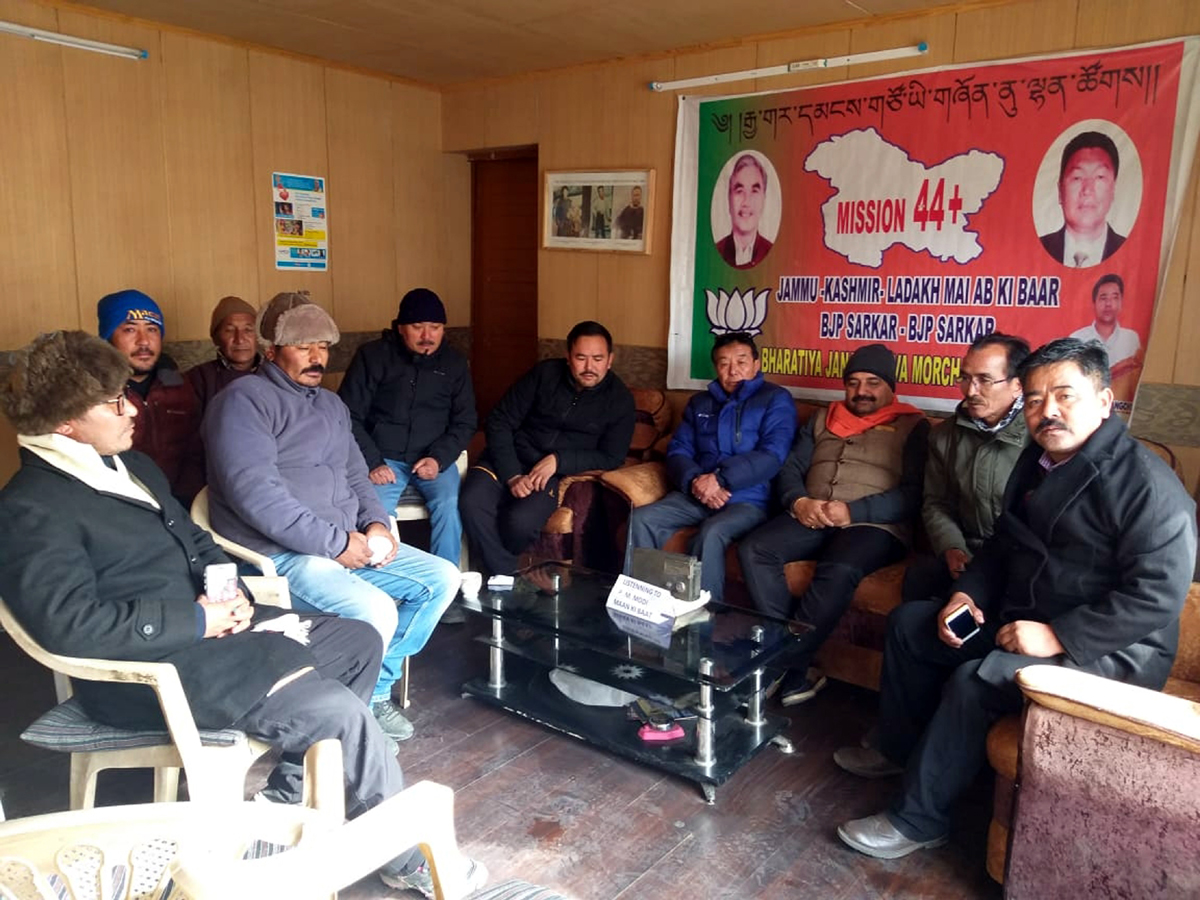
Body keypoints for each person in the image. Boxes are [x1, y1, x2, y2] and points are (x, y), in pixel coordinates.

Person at [0, 330, 487, 897]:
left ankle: (278, 808)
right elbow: (69, 626)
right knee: (339, 712)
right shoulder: (30, 507)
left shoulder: (132, 467)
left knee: (357, 641)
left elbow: (198, 546)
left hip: (212, 640)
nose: (130, 407)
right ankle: (407, 857)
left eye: (124, 393)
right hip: (147, 673)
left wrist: (234, 600)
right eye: (112, 402)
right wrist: (200, 622)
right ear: (64, 424)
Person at [835, 338, 1196, 862]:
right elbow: (1004, 543)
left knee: (977, 679)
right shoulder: (1039, 461)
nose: (1046, 411)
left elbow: (1157, 598)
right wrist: (966, 593)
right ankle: (897, 748)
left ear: (1103, 400)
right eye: (1032, 399)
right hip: (1030, 617)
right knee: (914, 624)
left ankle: (918, 819)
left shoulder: (1146, 484)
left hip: (1111, 651)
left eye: (1064, 395)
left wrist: (1056, 636)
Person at [203, 292, 458, 742]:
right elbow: (255, 494)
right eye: (303, 346)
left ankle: (372, 694)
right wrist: (336, 543)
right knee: (373, 608)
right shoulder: (244, 401)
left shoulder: (331, 405)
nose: (316, 356)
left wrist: (376, 522)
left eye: (322, 345)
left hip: (345, 543)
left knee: (443, 577)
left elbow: (357, 476)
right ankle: (346, 726)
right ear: (272, 351)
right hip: (283, 556)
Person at [738, 343, 929, 706]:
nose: (862, 391)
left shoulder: (913, 425)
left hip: (874, 525)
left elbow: (914, 493)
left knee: (839, 568)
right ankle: (795, 666)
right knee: (755, 548)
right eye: (853, 382)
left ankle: (781, 665)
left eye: (873, 382)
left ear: (891, 386)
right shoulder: (823, 418)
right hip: (811, 514)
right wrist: (798, 501)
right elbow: (792, 467)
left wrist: (854, 513)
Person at [627, 333, 795, 603]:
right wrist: (695, 481)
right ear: (716, 368)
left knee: (712, 532)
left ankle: (704, 619)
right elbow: (678, 450)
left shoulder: (775, 399)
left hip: (749, 498)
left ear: (756, 364)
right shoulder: (700, 403)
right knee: (643, 519)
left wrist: (721, 479)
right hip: (696, 493)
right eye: (724, 363)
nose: (733, 370)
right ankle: (645, 604)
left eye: (741, 361)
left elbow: (772, 455)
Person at [460, 321, 636, 577]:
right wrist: (512, 474)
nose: (589, 367)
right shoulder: (544, 375)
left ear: (610, 360)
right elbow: (499, 420)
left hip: (549, 475)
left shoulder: (619, 400)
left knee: (520, 523)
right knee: (470, 501)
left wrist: (559, 460)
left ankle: (497, 577)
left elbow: (612, 455)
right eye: (581, 358)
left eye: (597, 359)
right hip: (506, 460)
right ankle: (506, 576)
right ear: (568, 357)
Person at [338, 288, 476, 590]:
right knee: (375, 515)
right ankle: (385, 587)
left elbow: (465, 421)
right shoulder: (373, 357)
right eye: (418, 327)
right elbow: (347, 416)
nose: (427, 335)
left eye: (436, 328)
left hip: (433, 460)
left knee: (449, 505)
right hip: (383, 459)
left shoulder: (454, 364)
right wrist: (372, 462)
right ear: (400, 328)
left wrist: (439, 458)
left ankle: (446, 585)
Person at [901, 334, 1030, 605]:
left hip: (1022, 562)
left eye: (984, 380)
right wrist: (952, 547)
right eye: (965, 378)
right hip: (970, 554)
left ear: (1018, 385)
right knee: (917, 588)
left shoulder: (1040, 437)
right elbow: (936, 503)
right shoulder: (945, 436)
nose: (970, 391)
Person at [98, 288, 204, 507]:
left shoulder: (181, 386)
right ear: (107, 339)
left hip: (183, 508)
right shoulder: (94, 395)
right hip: (122, 510)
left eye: (152, 329)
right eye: (129, 330)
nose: (144, 341)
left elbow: (196, 453)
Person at [1039, 131, 1126, 267]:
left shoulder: (1131, 253)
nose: (1087, 190)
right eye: (1077, 177)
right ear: (1060, 191)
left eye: (1100, 177)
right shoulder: (1036, 250)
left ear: (1113, 189)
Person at [186, 295, 262, 415]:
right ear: (216, 338)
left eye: (248, 330)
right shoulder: (198, 378)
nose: (240, 339)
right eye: (230, 330)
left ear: (258, 337)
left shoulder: (276, 375)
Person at [1070, 273, 1142, 375]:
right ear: (1094, 303)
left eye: (1114, 298)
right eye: (1103, 298)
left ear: (1121, 302)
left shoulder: (1131, 338)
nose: (1108, 304)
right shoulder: (1077, 338)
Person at [716, 154, 774, 269]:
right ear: (729, 197)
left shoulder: (773, 254)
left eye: (754, 191)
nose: (746, 201)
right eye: (739, 191)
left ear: (764, 199)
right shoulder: (716, 252)